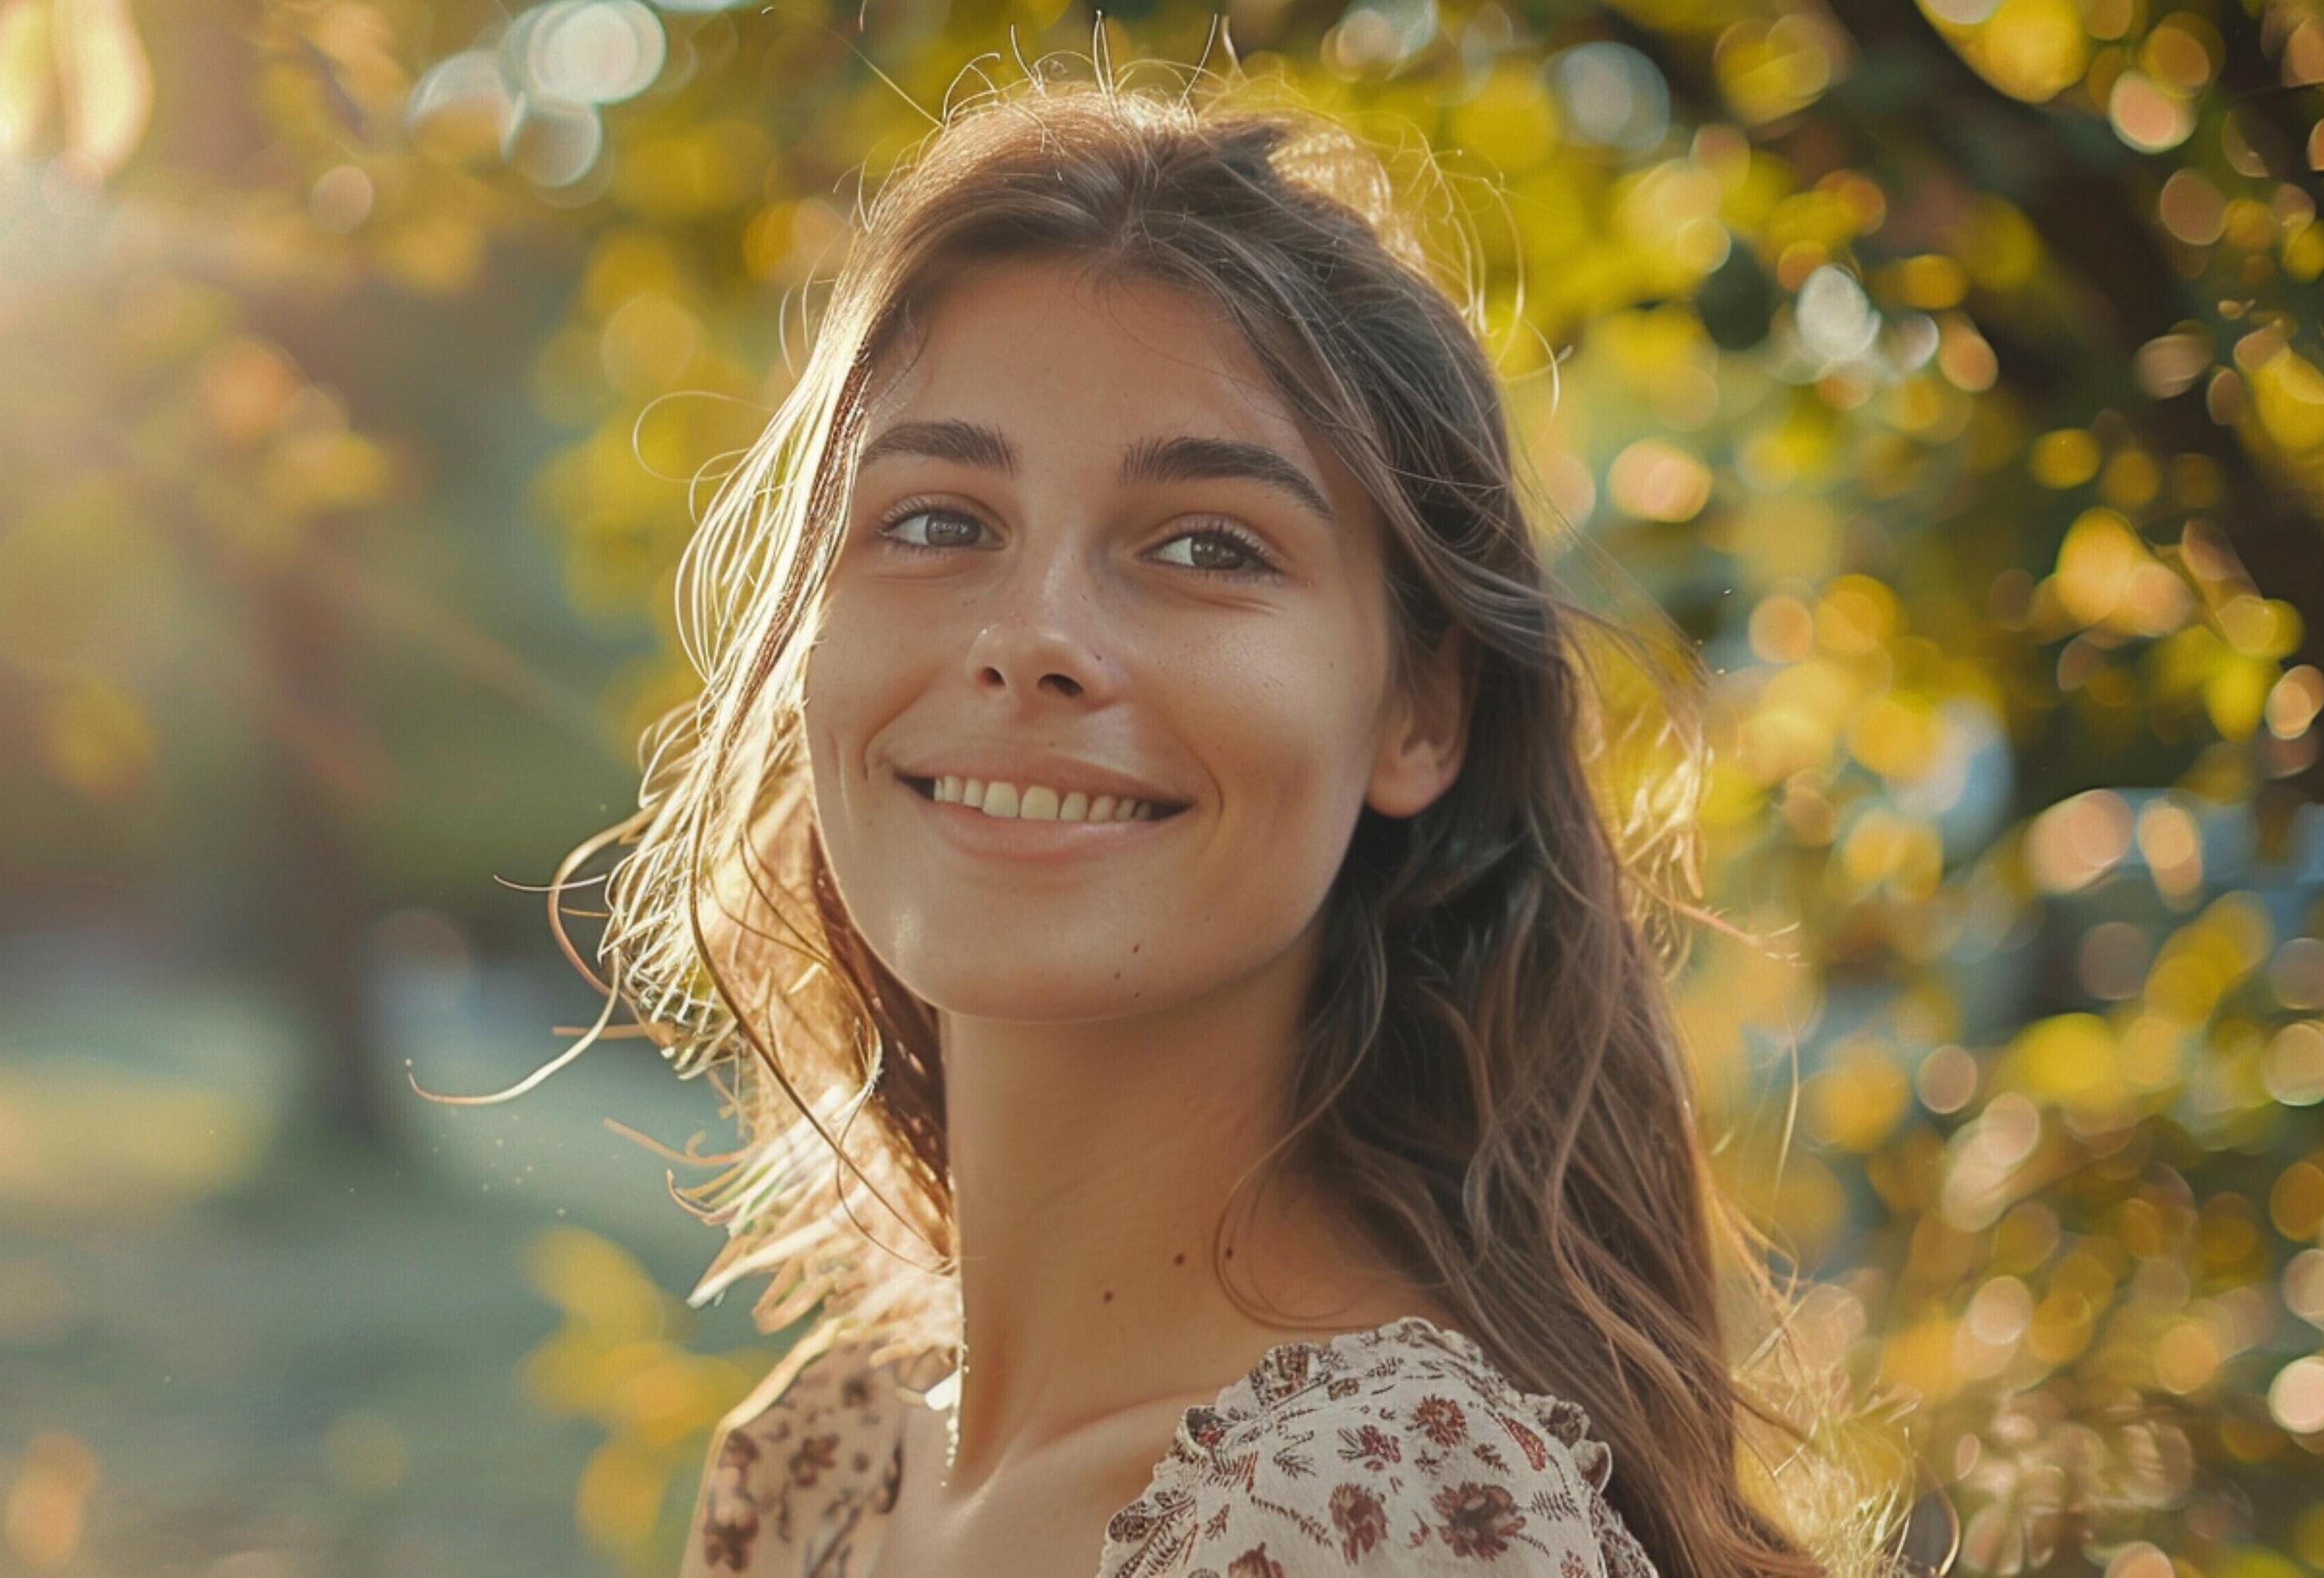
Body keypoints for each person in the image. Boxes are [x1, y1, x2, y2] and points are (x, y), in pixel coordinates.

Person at [538, 56, 1922, 1578]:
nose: (1031, 633)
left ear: (1420, 713)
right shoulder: (817, 1471)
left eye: (1205, 543)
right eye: (936, 521)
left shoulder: (1386, 1520)